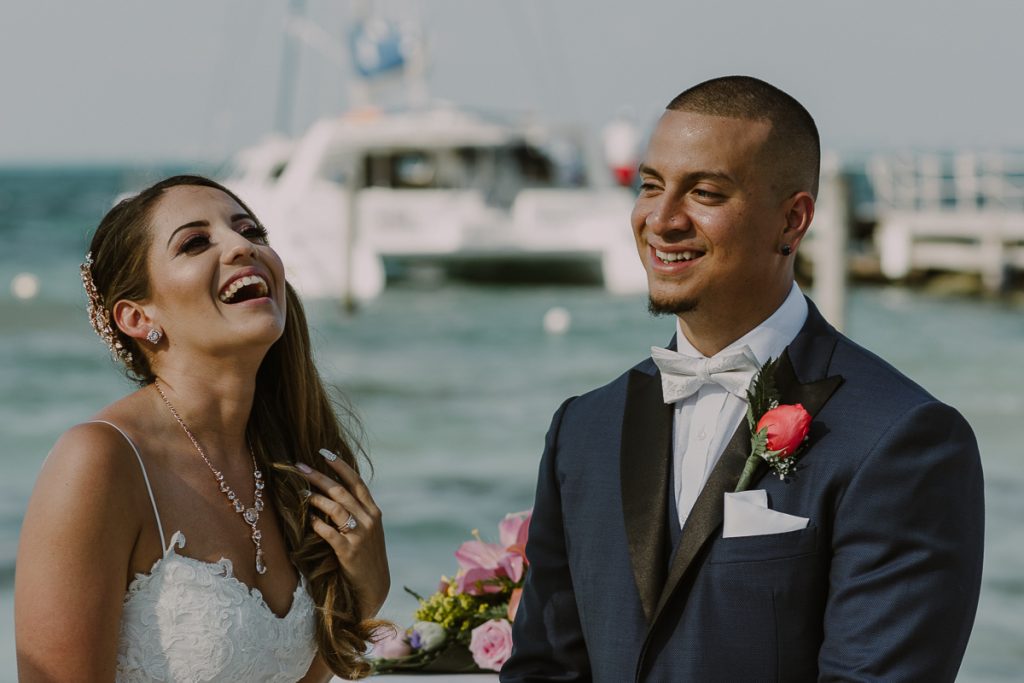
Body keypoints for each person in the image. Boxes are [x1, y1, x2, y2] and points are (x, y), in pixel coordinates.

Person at [501, 76, 984, 682]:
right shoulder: (583, 429)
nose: (662, 218)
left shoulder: (902, 440)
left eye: (704, 193)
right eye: (650, 186)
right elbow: (544, 668)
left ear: (792, 221)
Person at [15, 175, 390, 682]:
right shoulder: (100, 460)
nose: (242, 247)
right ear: (136, 316)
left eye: (252, 232)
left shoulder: (288, 463)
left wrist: (364, 594)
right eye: (196, 242)